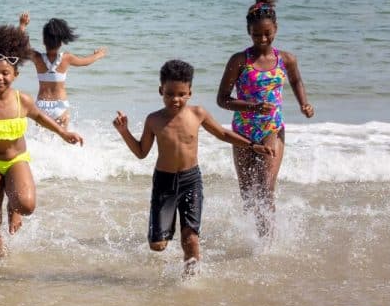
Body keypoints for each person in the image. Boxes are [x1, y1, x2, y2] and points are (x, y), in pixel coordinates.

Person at [113, 60, 275, 277]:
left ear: (190, 92)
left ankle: (190, 281)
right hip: (164, 182)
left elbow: (223, 134)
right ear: (161, 91)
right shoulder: (154, 120)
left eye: (181, 94)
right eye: (170, 94)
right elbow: (141, 152)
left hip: (191, 180)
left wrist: (253, 145)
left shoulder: (198, 113)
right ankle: (166, 240)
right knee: (158, 245)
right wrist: (124, 132)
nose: (175, 99)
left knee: (190, 238)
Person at [0, 23, 84, 256]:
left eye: (5, 73)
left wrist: (64, 133)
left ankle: (13, 207)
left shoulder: (22, 100)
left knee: (26, 205)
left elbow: (41, 118)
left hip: (17, 160)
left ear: (15, 74)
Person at [216, 0, 314, 238]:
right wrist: (252, 107)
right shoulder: (239, 60)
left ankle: (267, 243)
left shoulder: (286, 59)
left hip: (272, 129)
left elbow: (296, 80)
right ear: (248, 31)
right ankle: (253, 239)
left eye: (267, 33)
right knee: (248, 193)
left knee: (266, 189)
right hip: (242, 133)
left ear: (276, 29)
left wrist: (304, 103)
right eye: (256, 33)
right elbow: (222, 100)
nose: (262, 38)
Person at [18, 12, 107, 129]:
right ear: (61, 42)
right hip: (60, 105)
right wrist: (98, 55)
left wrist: (22, 25)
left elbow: (23, 45)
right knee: (63, 138)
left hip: (41, 106)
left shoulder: (37, 58)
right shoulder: (67, 58)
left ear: (44, 41)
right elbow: (85, 62)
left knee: (41, 139)